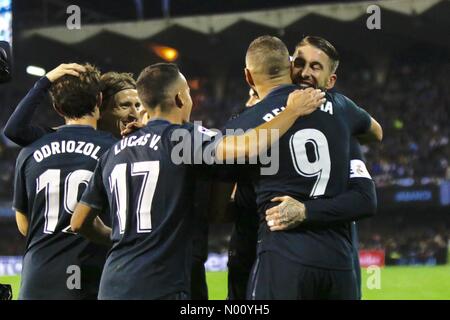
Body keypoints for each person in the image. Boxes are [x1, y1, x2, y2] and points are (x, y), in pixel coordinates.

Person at [70, 62, 325, 299]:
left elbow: (79, 221)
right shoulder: (183, 139)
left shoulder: (114, 152)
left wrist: (119, 238)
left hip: (113, 284)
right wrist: (291, 111)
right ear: (181, 98)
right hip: (163, 285)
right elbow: (246, 147)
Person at [222, 35, 379, 299]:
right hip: (338, 263)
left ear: (249, 77)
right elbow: (376, 132)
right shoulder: (343, 113)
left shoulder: (244, 124)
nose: (306, 72)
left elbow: (225, 197)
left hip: (283, 255)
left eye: (315, 67)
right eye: (301, 63)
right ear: (290, 64)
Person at [13, 63, 116, 299]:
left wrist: (45, 80)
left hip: (37, 280)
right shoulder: (114, 150)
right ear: (99, 100)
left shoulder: (29, 152)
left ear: (58, 108)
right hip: (90, 279)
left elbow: (23, 225)